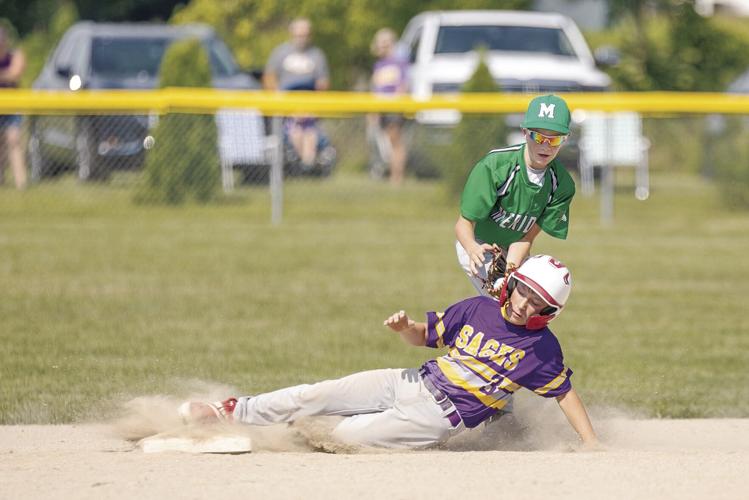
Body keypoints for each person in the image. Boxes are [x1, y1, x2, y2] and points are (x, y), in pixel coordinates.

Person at [179, 254, 599, 450]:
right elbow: (424, 335)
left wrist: (591, 442)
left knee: (340, 437)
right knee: (319, 393)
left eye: (537, 302)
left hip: (437, 418)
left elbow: (564, 393)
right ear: (514, 284)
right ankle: (230, 413)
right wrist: (405, 329)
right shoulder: (477, 308)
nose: (526, 304)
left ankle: (272, 438)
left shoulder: (541, 349)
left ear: (549, 312)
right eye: (525, 291)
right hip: (413, 381)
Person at [455, 94, 576, 296]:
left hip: (515, 247)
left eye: (554, 139)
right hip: (478, 244)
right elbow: (463, 224)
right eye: (538, 136)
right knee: (504, 302)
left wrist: (510, 270)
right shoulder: (496, 166)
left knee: (533, 302)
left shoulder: (561, 185)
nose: (545, 146)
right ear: (524, 132)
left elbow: (526, 237)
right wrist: (472, 248)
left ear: (565, 139)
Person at [263, 18, 330, 170]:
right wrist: (280, 100)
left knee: (310, 134)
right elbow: (269, 77)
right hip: (288, 104)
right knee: (295, 132)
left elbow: (323, 82)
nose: (302, 38)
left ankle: (308, 166)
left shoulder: (316, 55)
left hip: (309, 104)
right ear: (292, 34)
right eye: (299, 34)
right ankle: (303, 164)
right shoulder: (281, 52)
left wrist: (314, 106)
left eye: (305, 35)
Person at [369, 28, 408, 186]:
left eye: (386, 42)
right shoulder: (378, 65)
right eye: (380, 43)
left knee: (395, 141)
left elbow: (403, 85)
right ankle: (389, 172)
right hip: (381, 108)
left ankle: (396, 176)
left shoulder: (399, 62)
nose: (382, 46)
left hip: (393, 107)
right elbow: (376, 88)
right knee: (385, 143)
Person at [0, 26, 27, 190]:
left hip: (10, 107)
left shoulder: (15, 55)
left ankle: (21, 183)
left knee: (13, 140)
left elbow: (15, 73)